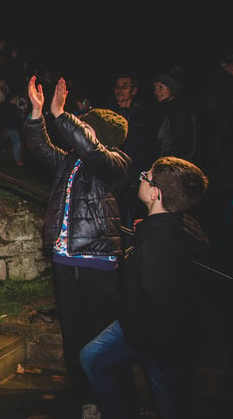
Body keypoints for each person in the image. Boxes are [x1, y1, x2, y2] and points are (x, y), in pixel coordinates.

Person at [25, 75, 132, 419]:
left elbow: (90, 148)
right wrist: (38, 113)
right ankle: (85, 397)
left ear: (97, 134)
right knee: (74, 334)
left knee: (104, 335)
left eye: (85, 126)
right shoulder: (71, 162)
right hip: (64, 258)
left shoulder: (115, 163)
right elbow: (41, 149)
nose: (78, 130)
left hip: (96, 262)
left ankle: (119, 400)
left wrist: (61, 115)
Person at [80, 156, 209, 419]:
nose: (140, 177)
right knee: (91, 357)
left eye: (146, 175)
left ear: (154, 193)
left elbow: (160, 300)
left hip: (162, 343)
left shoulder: (155, 243)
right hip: (141, 328)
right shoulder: (168, 227)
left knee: (172, 408)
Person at [100, 72, 154, 241]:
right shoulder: (106, 113)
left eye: (125, 86)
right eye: (117, 86)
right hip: (111, 175)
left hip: (135, 176)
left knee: (130, 223)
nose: (120, 90)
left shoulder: (144, 115)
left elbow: (149, 146)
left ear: (134, 90)